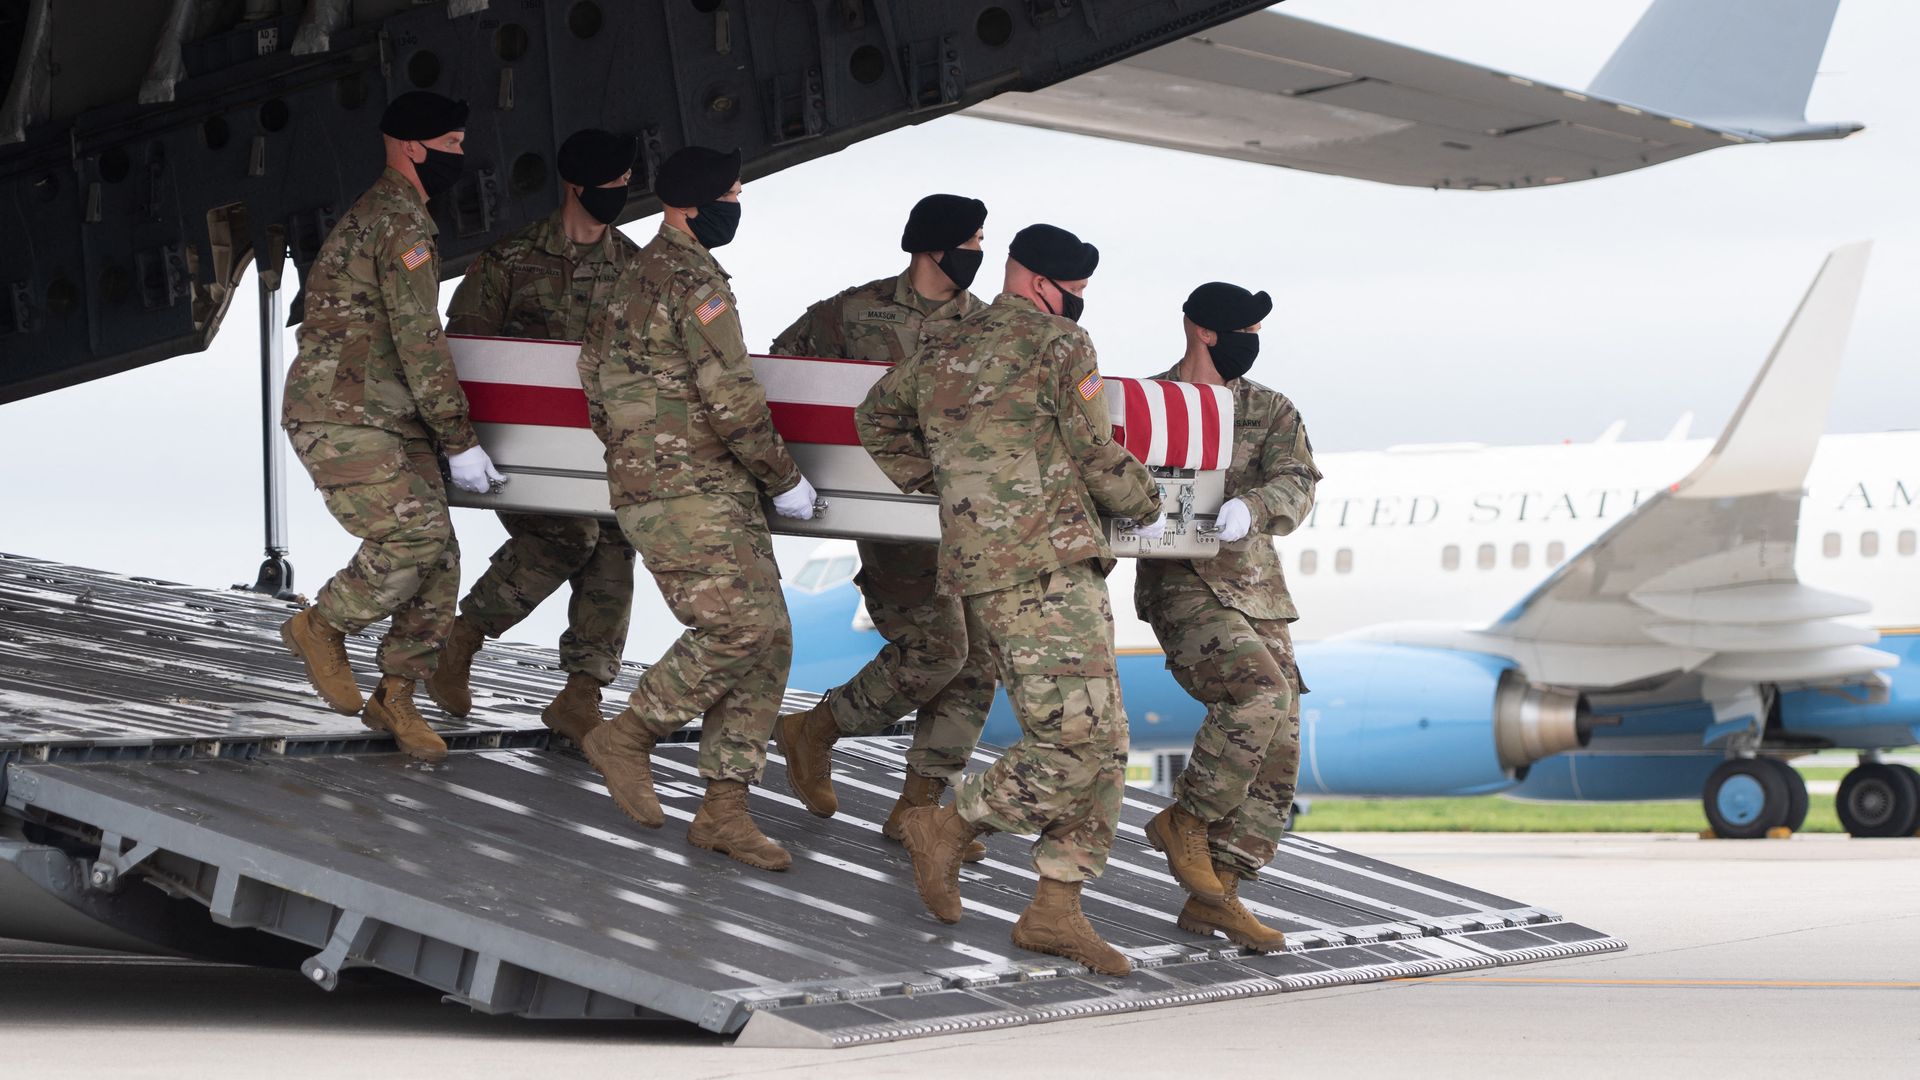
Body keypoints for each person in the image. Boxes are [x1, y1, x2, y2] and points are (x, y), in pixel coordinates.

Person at [859, 223, 1164, 975]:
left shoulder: (942, 348)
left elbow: (875, 418)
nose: (1077, 307)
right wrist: (1146, 498)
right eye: (1074, 293)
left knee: (1106, 737)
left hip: (988, 563)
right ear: (1035, 282)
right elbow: (1096, 455)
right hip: (1046, 562)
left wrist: (956, 487)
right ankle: (950, 824)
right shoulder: (1059, 346)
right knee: (1076, 738)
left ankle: (1055, 909)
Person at [574, 145, 819, 872]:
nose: (737, 207)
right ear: (696, 205)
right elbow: (734, 401)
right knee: (740, 625)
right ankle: (629, 733)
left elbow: (593, 381)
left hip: (679, 485)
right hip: (687, 490)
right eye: (734, 195)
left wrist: (635, 450)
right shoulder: (694, 285)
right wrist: (785, 480)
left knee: (768, 637)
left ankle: (724, 809)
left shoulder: (629, 280)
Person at [278, 89, 502, 763]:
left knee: (440, 559)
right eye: (452, 145)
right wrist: (460, 439)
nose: (462, 155)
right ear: (411, 146)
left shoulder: (400, 217)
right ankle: (322, 624)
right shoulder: (398, 223)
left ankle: (395, 695)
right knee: (417, 533)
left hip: (385, 415)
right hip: (341, 413)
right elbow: (418, 338)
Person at [769, 194, 993, 861]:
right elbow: (785, 375)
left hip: (965, 525)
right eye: (972, 240)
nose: (978, 253)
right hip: (892, 522)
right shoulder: (853, 313)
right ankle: (816, 729)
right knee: (937, 653)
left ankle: (917, 811)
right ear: (933, 246)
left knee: (981, 665)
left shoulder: (988, 327)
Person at [428, 129, 643, 742]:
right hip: (517, 455)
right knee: (568, 536)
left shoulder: (636, 272)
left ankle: (581, 694)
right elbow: (463, 357)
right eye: (612, 185)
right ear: (576, 186)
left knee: (612, 540)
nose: (622, 195)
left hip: (601, 455)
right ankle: (459, 642)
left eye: (627, 185)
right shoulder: (508, 262)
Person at [1135, 281, 1320, 952]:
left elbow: (1299, 481)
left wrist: (1259, 504)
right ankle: (1187, 819)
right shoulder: (1148, 405)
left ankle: (1219, 893)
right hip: (1182, 585)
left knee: (1279, 748)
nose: (1254, 342)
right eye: (1243, 329)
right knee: (1258, 693)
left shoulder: (1270, 410)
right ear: (1201, 330)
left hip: (1259, 592)